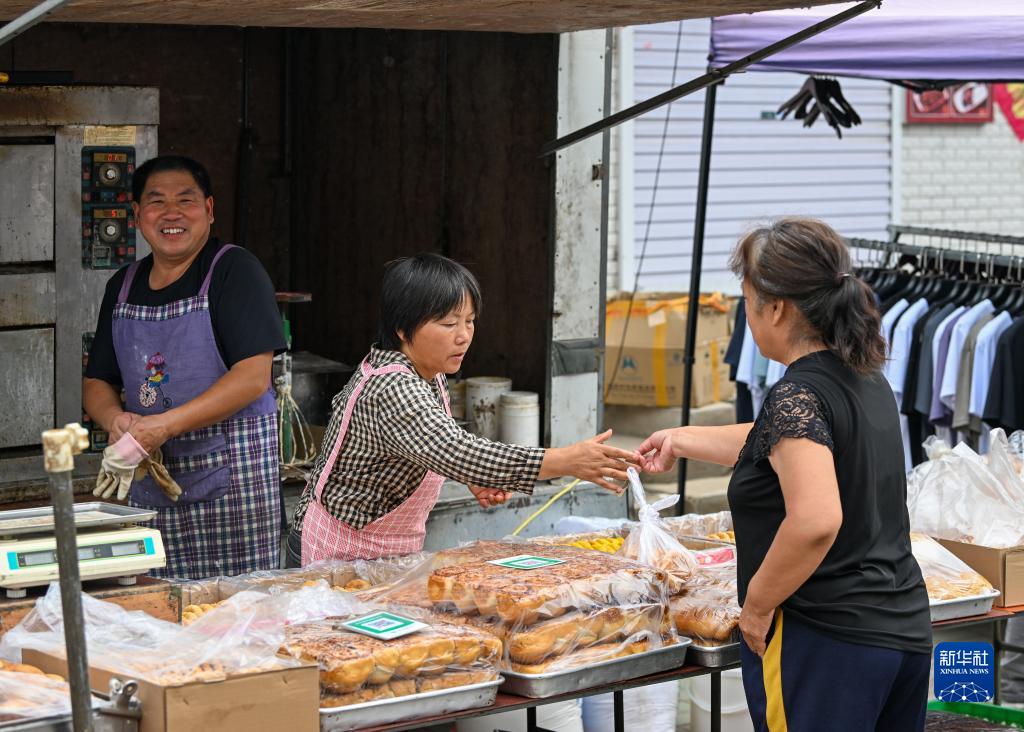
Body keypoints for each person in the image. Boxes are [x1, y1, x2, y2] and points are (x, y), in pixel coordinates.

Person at [638, 218, 932, 732]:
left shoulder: (797, 394)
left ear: (775, 308)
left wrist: (757, 605)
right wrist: (681, 440)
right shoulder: (864, 375)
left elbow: (816, 519)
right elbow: (781, 443)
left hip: (824, 642)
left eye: (747, 300)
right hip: (900, 632)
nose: (746, 314)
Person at [289, 253, 636, 566]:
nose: (464, 336)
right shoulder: (393, 386)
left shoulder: (429, 371)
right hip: (337, 552)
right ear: (402, 329)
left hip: (383, 554)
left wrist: (472, 475)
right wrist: (566, 461)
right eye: (448, 323)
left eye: (469, 321)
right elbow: (456, 450)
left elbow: (435, 443)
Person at [84, 155, 286, 579]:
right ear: (137, 214)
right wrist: (115, 419)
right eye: (156, 201)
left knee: (240, 607)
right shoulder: (122, 287)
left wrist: (165, 425)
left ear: (209, 210)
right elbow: (97, 380)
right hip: (153, 483)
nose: (171, 213)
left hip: (235, 484)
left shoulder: (234, 271)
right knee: (161, 602)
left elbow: (253, 377)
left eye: (185, 200)